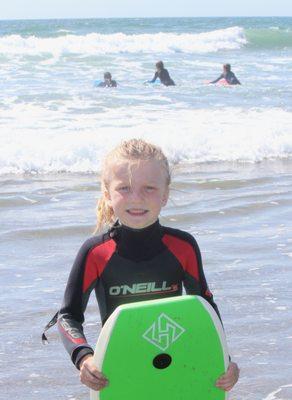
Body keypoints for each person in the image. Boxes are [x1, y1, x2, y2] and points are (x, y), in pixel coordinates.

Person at [52, 139, 239, 392]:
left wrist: (223, 360)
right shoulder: (96, 253)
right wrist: (84, 358)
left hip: (178, 365)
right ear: (107, 195)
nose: (136, 199)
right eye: (124, 188)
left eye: (149, 188)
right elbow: (68, 316)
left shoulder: (183, 246)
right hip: (118, 373)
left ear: (165, 195)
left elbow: (205, 309)